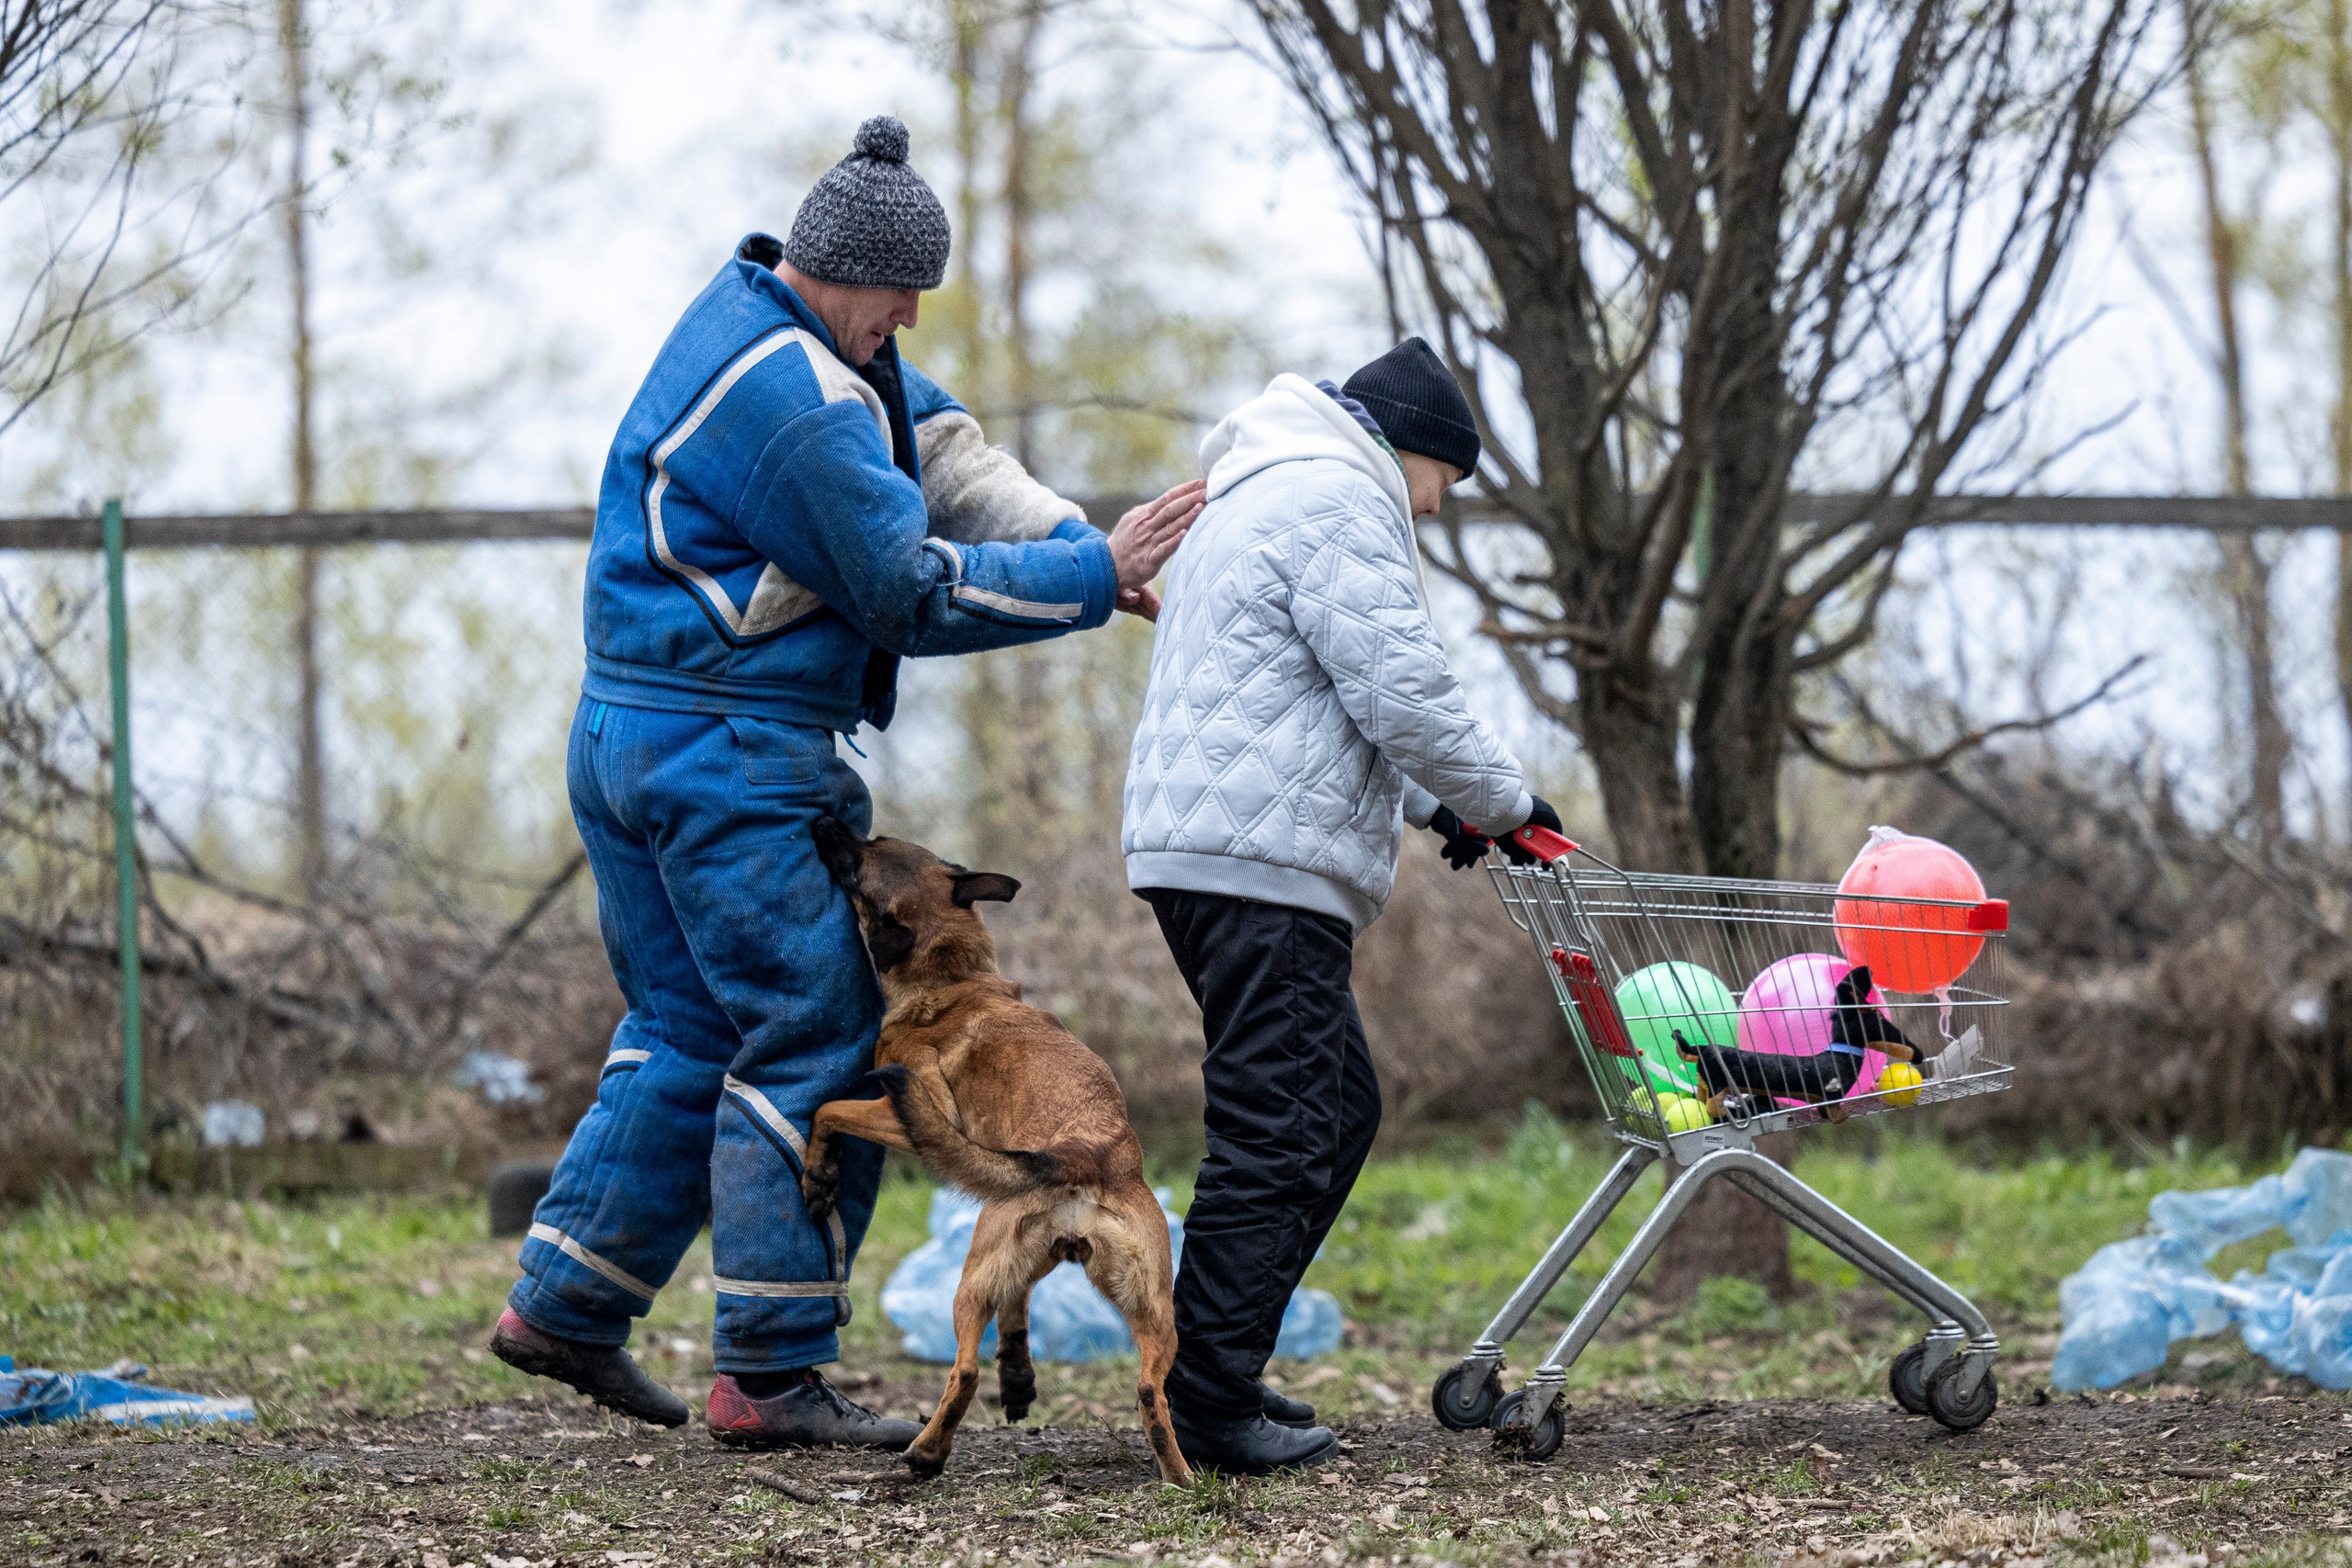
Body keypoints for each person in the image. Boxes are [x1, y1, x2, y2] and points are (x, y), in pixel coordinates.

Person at [492, 115, 1202, 1450]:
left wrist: (1080, 544)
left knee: (691, 1022)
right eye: (902, 291)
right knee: (819, 1042)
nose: (914, 315)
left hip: (638, 736)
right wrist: (1089, 580)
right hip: (732, 753)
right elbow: (902, 584)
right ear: (840, 268)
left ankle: (567, 1303)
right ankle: (768, 1368)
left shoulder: (783, 335)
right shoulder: (796, 401)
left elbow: (939, 453)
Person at [1121, 341, 1560, 1473]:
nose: (1437, 505)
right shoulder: (1334, 494)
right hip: (1253, 858)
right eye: (1444, 483)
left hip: (1220, 847)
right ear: (1413, 448)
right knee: (1288, 1126)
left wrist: (1441, 811)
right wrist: (1504, 802)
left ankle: (1210, 1370)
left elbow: (1320, 692)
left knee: (1331, 1108)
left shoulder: (1271, 487)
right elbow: (1401, 685)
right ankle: (1204, 1400)